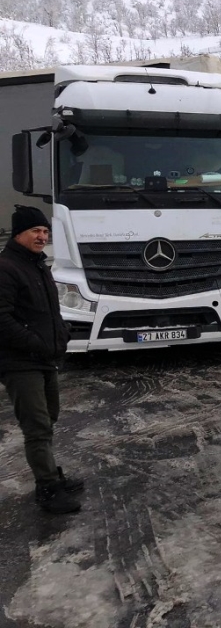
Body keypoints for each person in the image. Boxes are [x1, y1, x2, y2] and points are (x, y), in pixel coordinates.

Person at [0, 205, 82, 514]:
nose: (42, 236)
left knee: (49, 417)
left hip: (45, 357)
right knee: (36, 426)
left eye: (45, 231)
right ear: (19, 233)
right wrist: (36, 344)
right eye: (36, 231)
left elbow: (51, 310)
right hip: (20, 363)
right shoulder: (6, 267)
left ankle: (51, 475)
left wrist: (62, 333)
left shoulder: (37, 265)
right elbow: (2, 319)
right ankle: (47, 488)